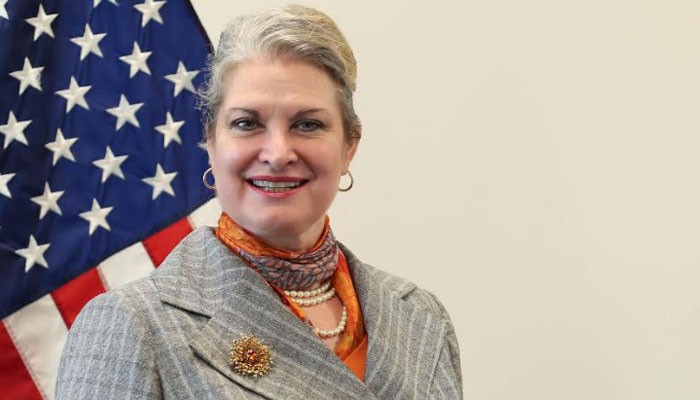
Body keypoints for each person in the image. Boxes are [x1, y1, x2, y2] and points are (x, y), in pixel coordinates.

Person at [55, 5, 462, 399]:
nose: (278, 153)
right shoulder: (132, 323)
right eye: (247, 123)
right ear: (211, 143)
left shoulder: (419, 316)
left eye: (308, 124)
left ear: (349, 147)